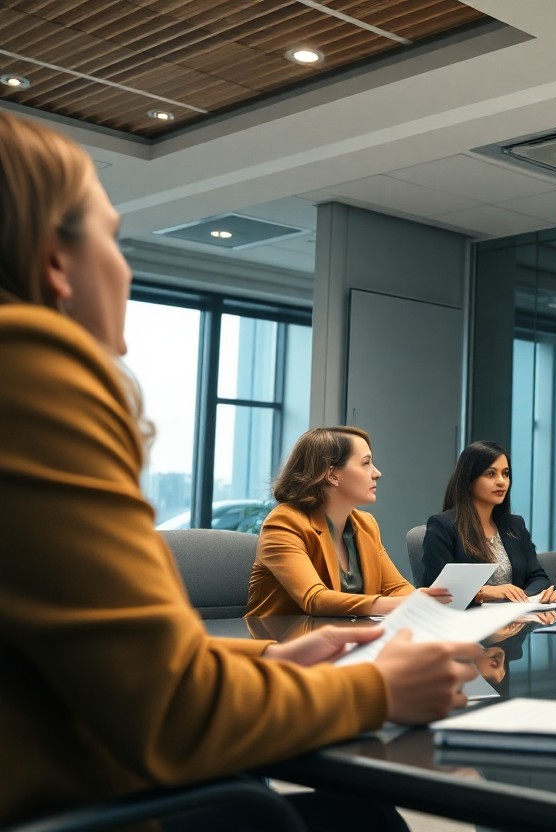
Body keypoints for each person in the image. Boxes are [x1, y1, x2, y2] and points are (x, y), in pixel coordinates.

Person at [0, 110, 482, 827]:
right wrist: (376, 690)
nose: (124, 266)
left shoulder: (367, 528)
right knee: (356, 817)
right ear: (53, 261)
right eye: (112, 235)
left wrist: (273, 667)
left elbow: (106, 674)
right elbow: (170, 713)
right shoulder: (29, 365)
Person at [246, 427, 452, 617]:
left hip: (349, 639)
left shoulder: (365, 524)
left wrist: (423, 601)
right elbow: (315, 600)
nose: (377, 473)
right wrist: (406, 604)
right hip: (282, 645)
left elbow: (395, 588)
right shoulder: (285, 522)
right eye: (366, 463)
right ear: (332, 475)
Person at [421, 440, 556, 605]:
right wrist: (484, 593)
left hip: (512, 621)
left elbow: (538, 577)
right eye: (491, 474)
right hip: (466, 624)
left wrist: (523, 597)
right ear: (469, 481)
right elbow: (439, 592)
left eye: (506, 473)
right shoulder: (443, 526)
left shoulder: (514, 525)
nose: (501, 481)